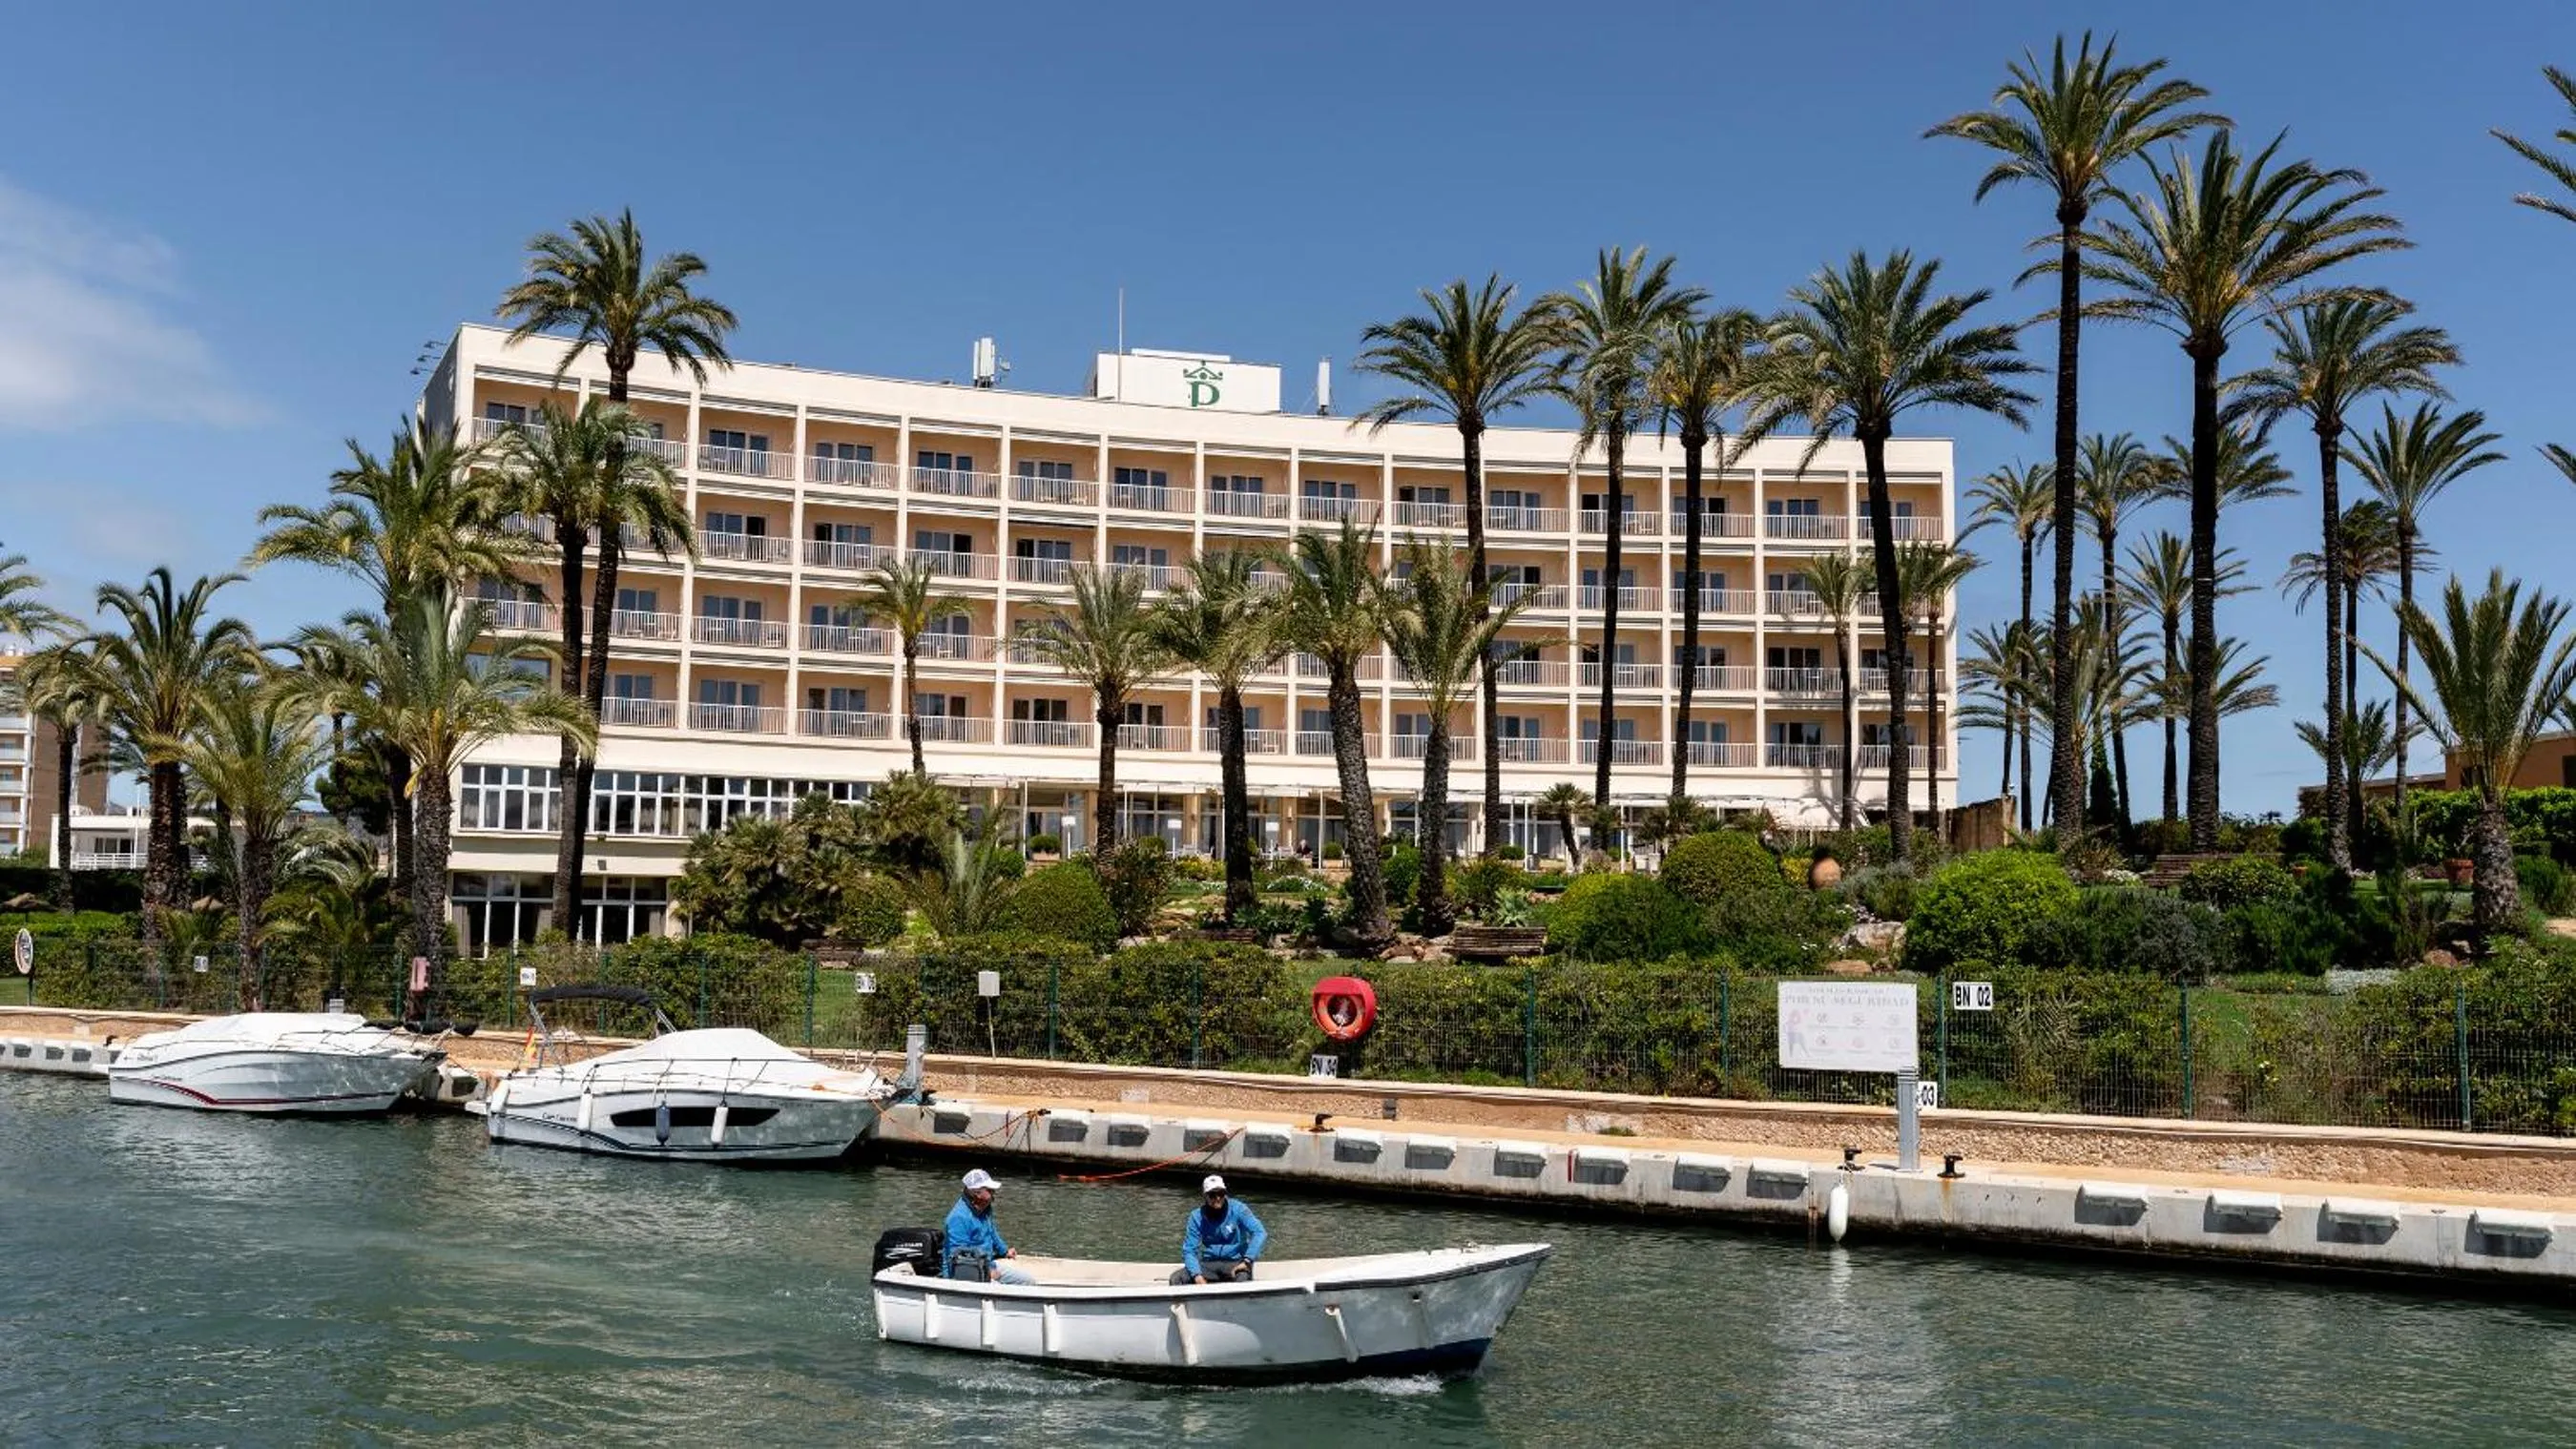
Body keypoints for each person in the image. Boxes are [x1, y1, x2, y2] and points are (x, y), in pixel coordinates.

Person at [942, 1169, 1033, 1285]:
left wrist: (1004, 1251)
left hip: (987, 1264)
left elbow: (992, 1232)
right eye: (989, 1190)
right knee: (1002, 1290)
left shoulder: (984, 1208)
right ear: (977, 1193)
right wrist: (988, 1272)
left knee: (1028, 1281)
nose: (993, 1193)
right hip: (966, 1273)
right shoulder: (958, 1218)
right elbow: (959, 1256)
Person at [1173, 1174, 1266, 1285]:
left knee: (1242, 1279)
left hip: (1235, 1262)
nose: (1217, 1198)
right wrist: (1197, 1275)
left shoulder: (1239, 1209)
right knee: (1176, 1278)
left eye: (1221, 1194)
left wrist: (1247, 1260)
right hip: (1209, 1263)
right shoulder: (1196, 1216)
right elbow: (1189, 1250)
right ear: (1205, 1196)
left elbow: (1259, 1232)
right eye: (1212, 1195)